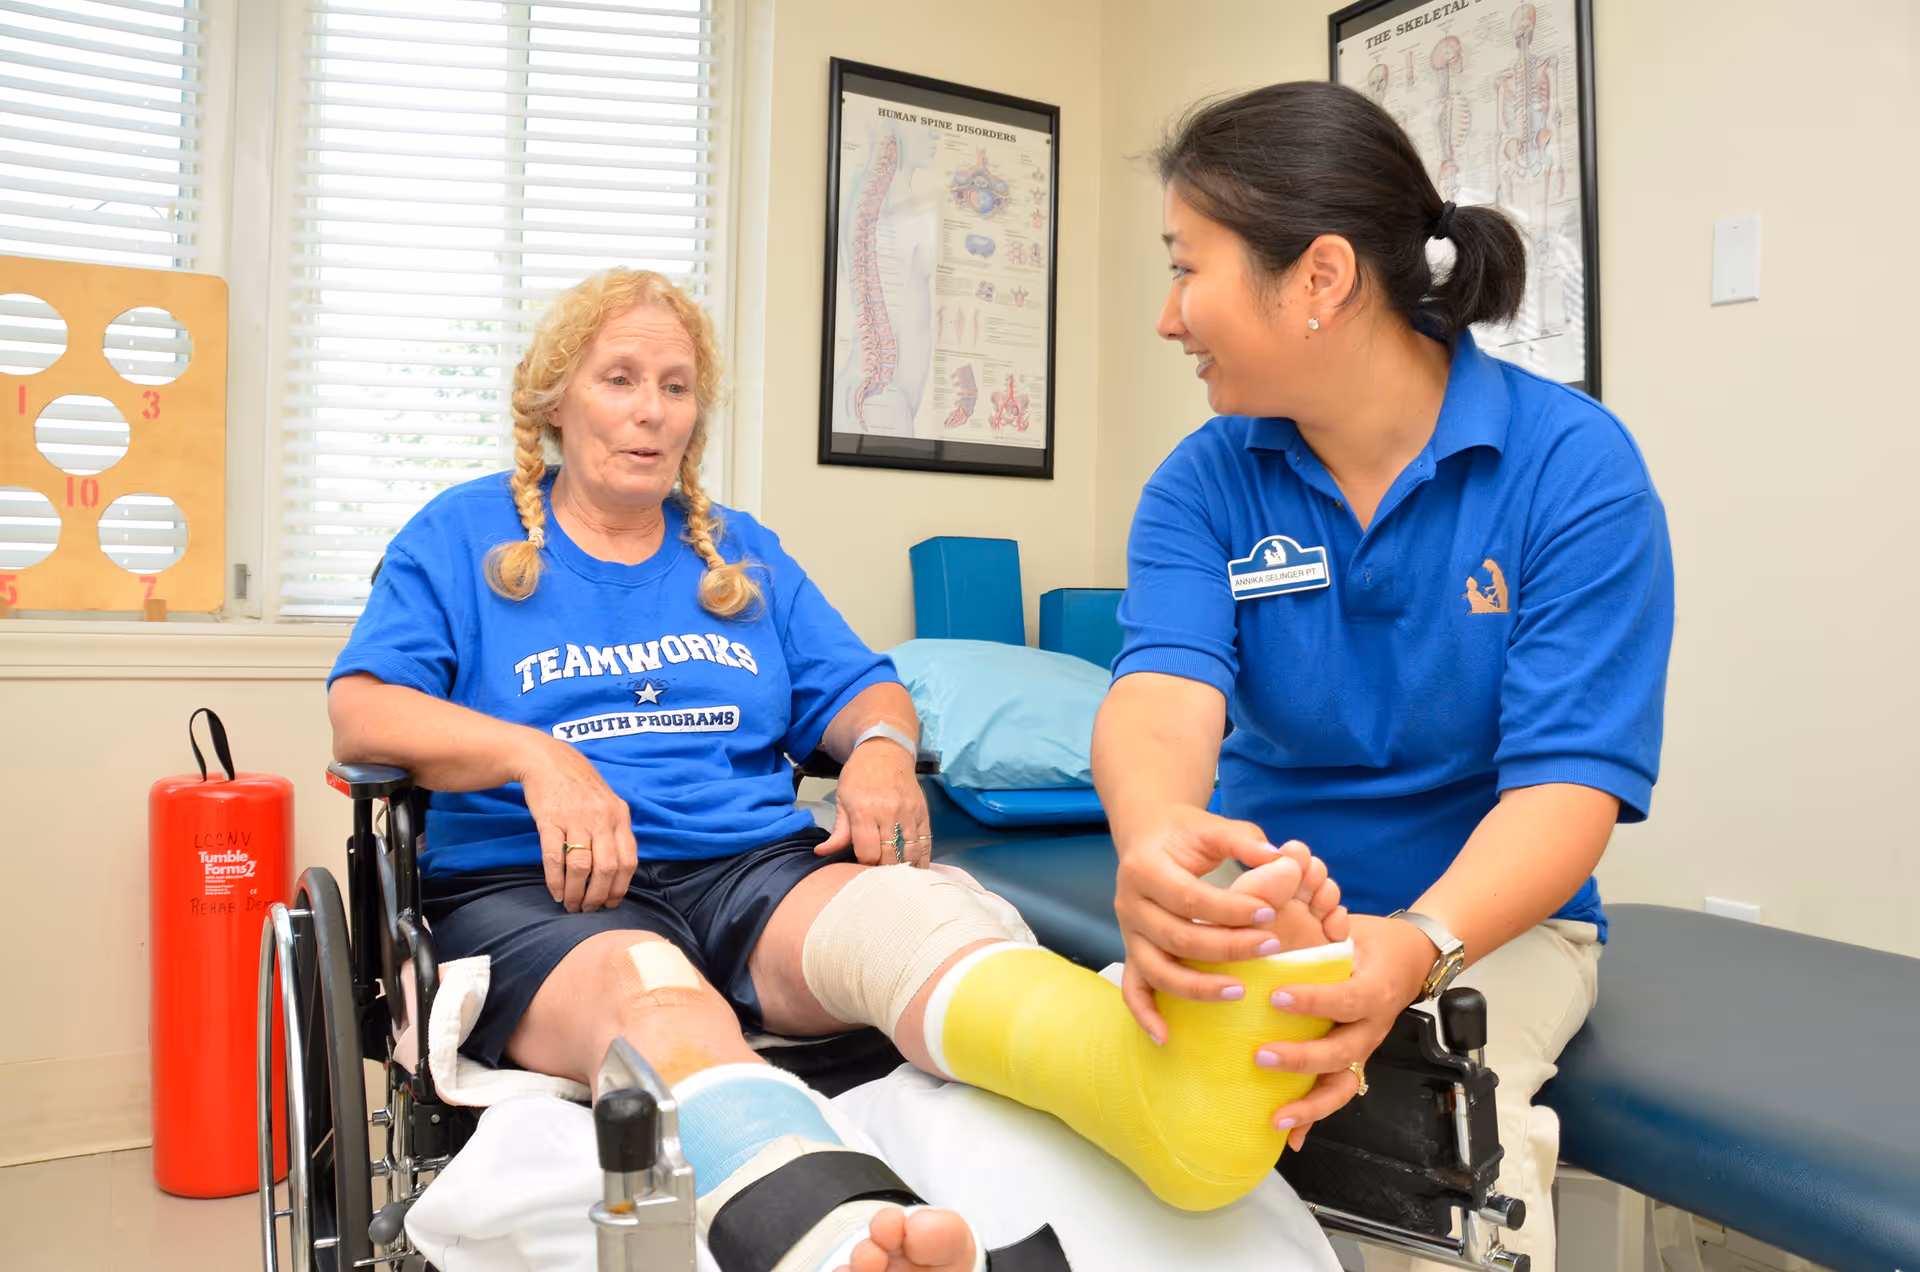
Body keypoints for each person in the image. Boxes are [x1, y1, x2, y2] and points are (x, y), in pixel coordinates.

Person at [328, 267, 1357, 1270]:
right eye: (620, 379)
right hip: (545, 894)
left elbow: (865, 690)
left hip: (747, 871)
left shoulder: (738, 552)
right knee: (659, 1003)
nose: (652, 413)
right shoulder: (462, 536)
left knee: (917, 922)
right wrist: (533, 754)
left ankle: (1167, 1100)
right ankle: (838, 1245)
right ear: (556, 400)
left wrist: (878, 750)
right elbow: (360, 712)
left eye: (676, 387)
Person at [1094, 82, 1674, 1272]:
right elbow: (1161, 699)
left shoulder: (1572, 469)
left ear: (1317, 279)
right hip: (1269, 911)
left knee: (1432, 1149)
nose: (1169, 317)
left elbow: (1567, 793)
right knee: (1125, 1139)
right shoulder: (1204, 484)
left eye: (1186, 268)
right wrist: (1160, 855)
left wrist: (1412, 945)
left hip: (1486, 928)